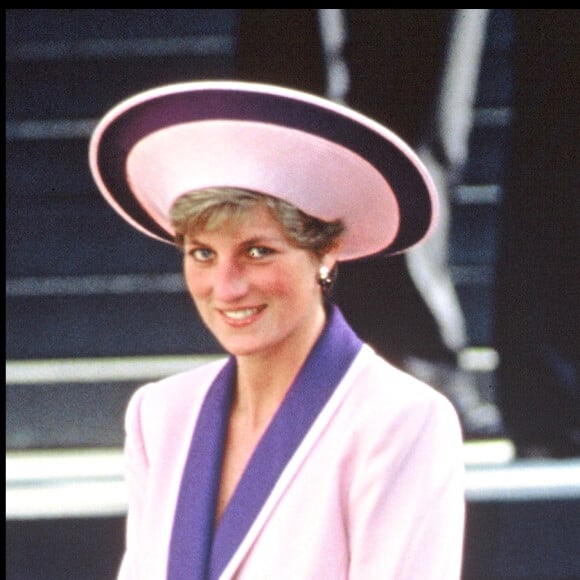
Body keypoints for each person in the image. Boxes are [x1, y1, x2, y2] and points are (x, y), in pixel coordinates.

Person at [89, 80, 465, 579]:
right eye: (202, 253)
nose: (226, 288)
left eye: (257, 251)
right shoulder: (159, 415)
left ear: (326, 252)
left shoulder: (401, 421)